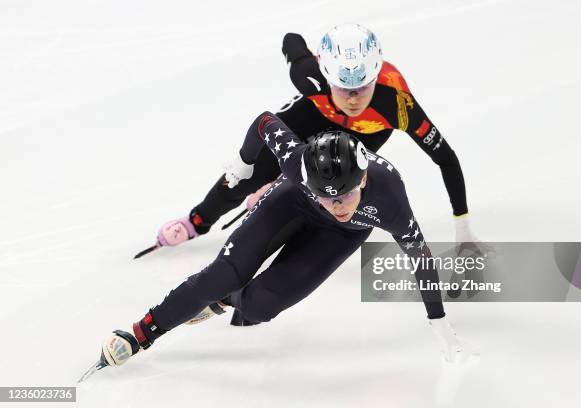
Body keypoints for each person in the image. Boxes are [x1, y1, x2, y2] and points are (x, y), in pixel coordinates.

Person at [90, 112, 466, 378]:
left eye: (344, 197)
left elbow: (423, 260)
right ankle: (141, 332)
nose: (336, 206)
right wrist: (243, 163)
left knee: (259, 306)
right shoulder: (298, 161)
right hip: (293, 201)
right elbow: (264, 122)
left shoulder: (390, 200)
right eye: (328, 197)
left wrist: (439, 320)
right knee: (221, 275)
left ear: (363, 180)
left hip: (342, 236)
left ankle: (225, 303)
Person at [154, 23, 481, 255]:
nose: (353, 99)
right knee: (249, 173)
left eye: (362, 87)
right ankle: (197, 219)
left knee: (328, 184)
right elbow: (290, 38)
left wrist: (462, 224)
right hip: (313, 112)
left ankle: (278, 215)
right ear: (326, 75)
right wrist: (244, 163)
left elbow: (445, 158)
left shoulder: (397, 105)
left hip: (363, 131)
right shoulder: (308, 75)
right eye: (344, 87)